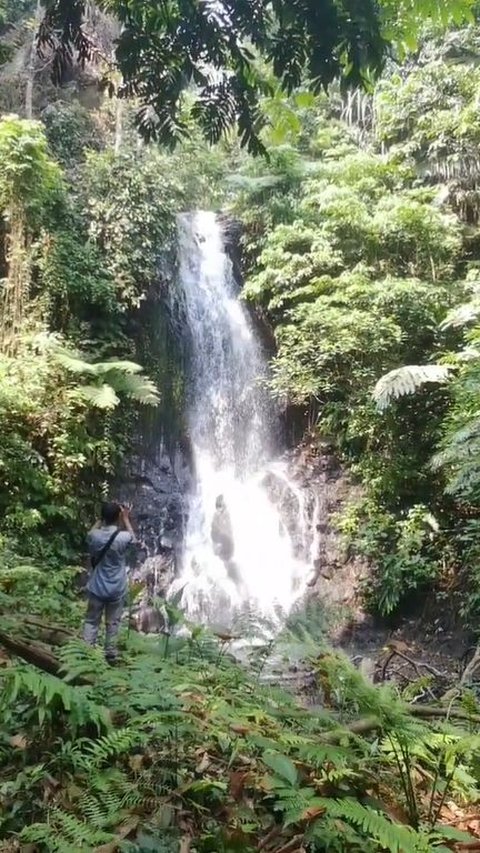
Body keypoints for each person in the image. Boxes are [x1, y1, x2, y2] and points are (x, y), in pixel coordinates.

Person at [83, 501, 135, 663]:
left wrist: (100, 519)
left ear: (103, 517)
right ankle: (110, 654)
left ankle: (85, 652)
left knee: (92, 621)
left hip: (97, 586)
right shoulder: (123, 537)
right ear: (118, 516)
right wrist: (126, 518)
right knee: (113, 623)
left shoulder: (95, 536)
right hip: (116, 588)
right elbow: (133, 539)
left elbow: (89, 533)